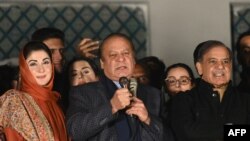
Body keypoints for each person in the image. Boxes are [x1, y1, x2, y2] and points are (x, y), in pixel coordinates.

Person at [66, 33, 167, 141]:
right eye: (113, 55)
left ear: (133, 60)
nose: (121, 59)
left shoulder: (154, 94)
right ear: (102, 63)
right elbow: (75, 131)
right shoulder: (83, 92)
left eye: (126, 53)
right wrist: (112, 107)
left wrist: (147, 119)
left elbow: (168, 136)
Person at [169, 40, 250, 141]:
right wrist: (232, 131)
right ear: (199, 68)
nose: (220, 66)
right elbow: (187, 133)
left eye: (225, 61)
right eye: (213, 61)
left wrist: (207, 131)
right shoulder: (183, 100)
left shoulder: (246, 100)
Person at [0, 41, 69, 140]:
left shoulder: (55, 102)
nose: (41, 69)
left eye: (45, 62)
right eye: (33, 64)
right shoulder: (14, 100)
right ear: (24, 68)